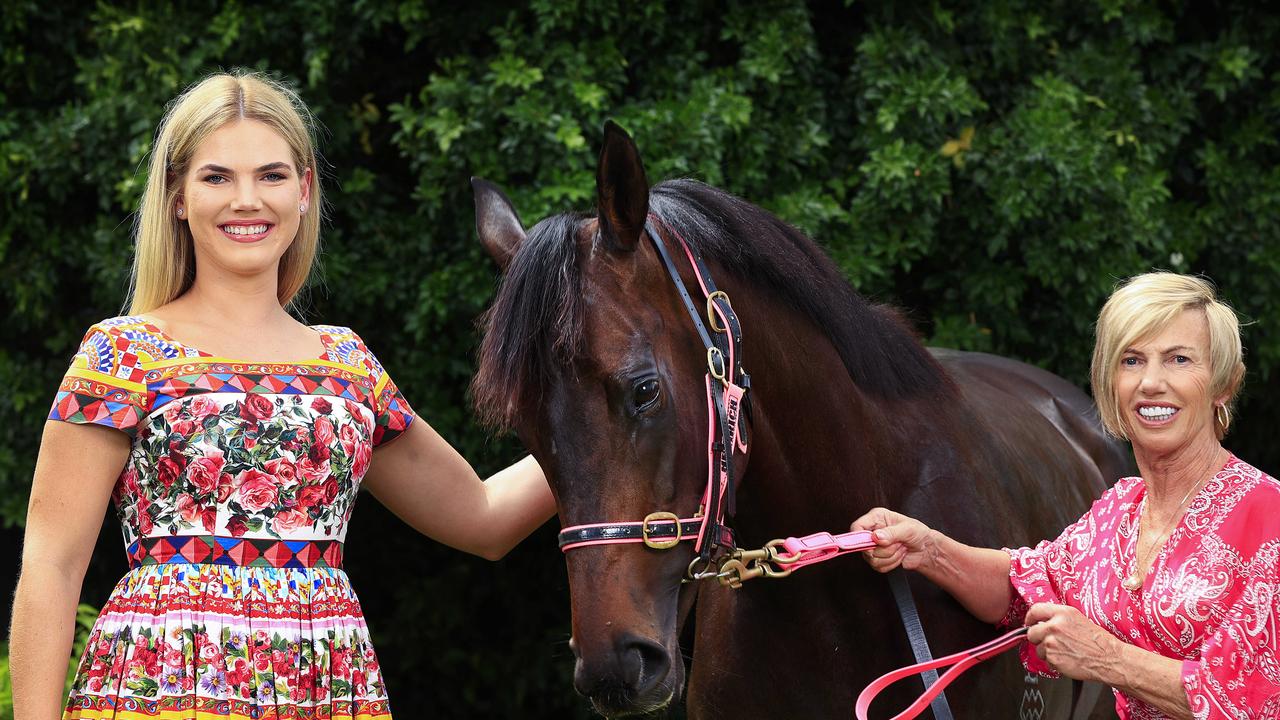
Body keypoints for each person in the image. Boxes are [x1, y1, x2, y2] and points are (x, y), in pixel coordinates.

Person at [9, 71, 556, 720]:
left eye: (270, 176)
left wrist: (644, 427)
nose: (247, 200)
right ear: (178, 197)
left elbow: (485, 518)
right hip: (159, 691)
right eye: (217, 177)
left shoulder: (346, 365)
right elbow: (51, 567)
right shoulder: (123, 354)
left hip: (320, 686)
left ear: (304, 191)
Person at [853, 272, 1279, 719]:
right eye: (1131, 361)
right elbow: (1025, 586)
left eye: (1178, 360)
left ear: (1224, 384)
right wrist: (928, 549)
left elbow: (1253, 701)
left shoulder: (1269, 515)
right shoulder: (1121, 509)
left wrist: (1106, 658)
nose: (1151, 382)